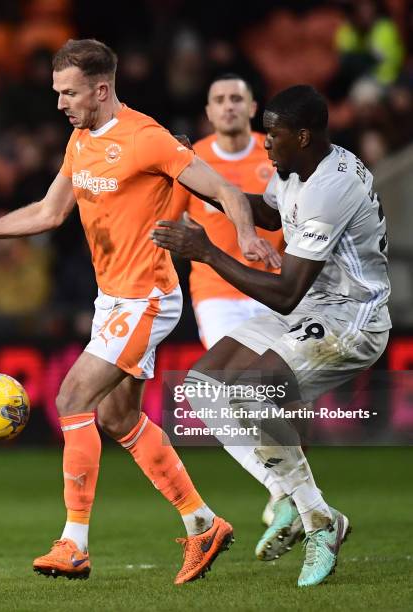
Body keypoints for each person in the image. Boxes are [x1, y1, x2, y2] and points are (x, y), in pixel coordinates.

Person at [0, 39, 279, 585]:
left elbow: (227, 191)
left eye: (69, 93)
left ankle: (74, 543)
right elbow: (48, 211)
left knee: (71, 398)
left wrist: (249, 237)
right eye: (58, 92)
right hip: (112, 297)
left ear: (101, 89)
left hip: (147, 297)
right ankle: (202, 522)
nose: (61, 103)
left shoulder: (146, 138)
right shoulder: (80, 139)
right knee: (116, 418)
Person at [152, 84, 390, 587]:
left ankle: (318, 521)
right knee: (203, 386)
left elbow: (284, 293)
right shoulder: (299, 167)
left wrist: (209, 252)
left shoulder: (332, 186)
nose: (266, 144)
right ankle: (303, 505)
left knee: (251, 390)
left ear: (303, 135)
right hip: (314, 305)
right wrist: (193, 176)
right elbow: (267, 211)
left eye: (274, 134)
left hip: (353, 318)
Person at [172, 74, 290, 530]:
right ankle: (281, 487)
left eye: (236, 99)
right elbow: (170, 223)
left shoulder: (275, 153)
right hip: (217, 292)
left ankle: (290, 491)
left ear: (253, 106)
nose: (228, 107)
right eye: (219, 99)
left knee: (260, 397)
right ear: (208, 111)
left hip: (277, 290)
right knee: (228, 389)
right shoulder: (192, 160)